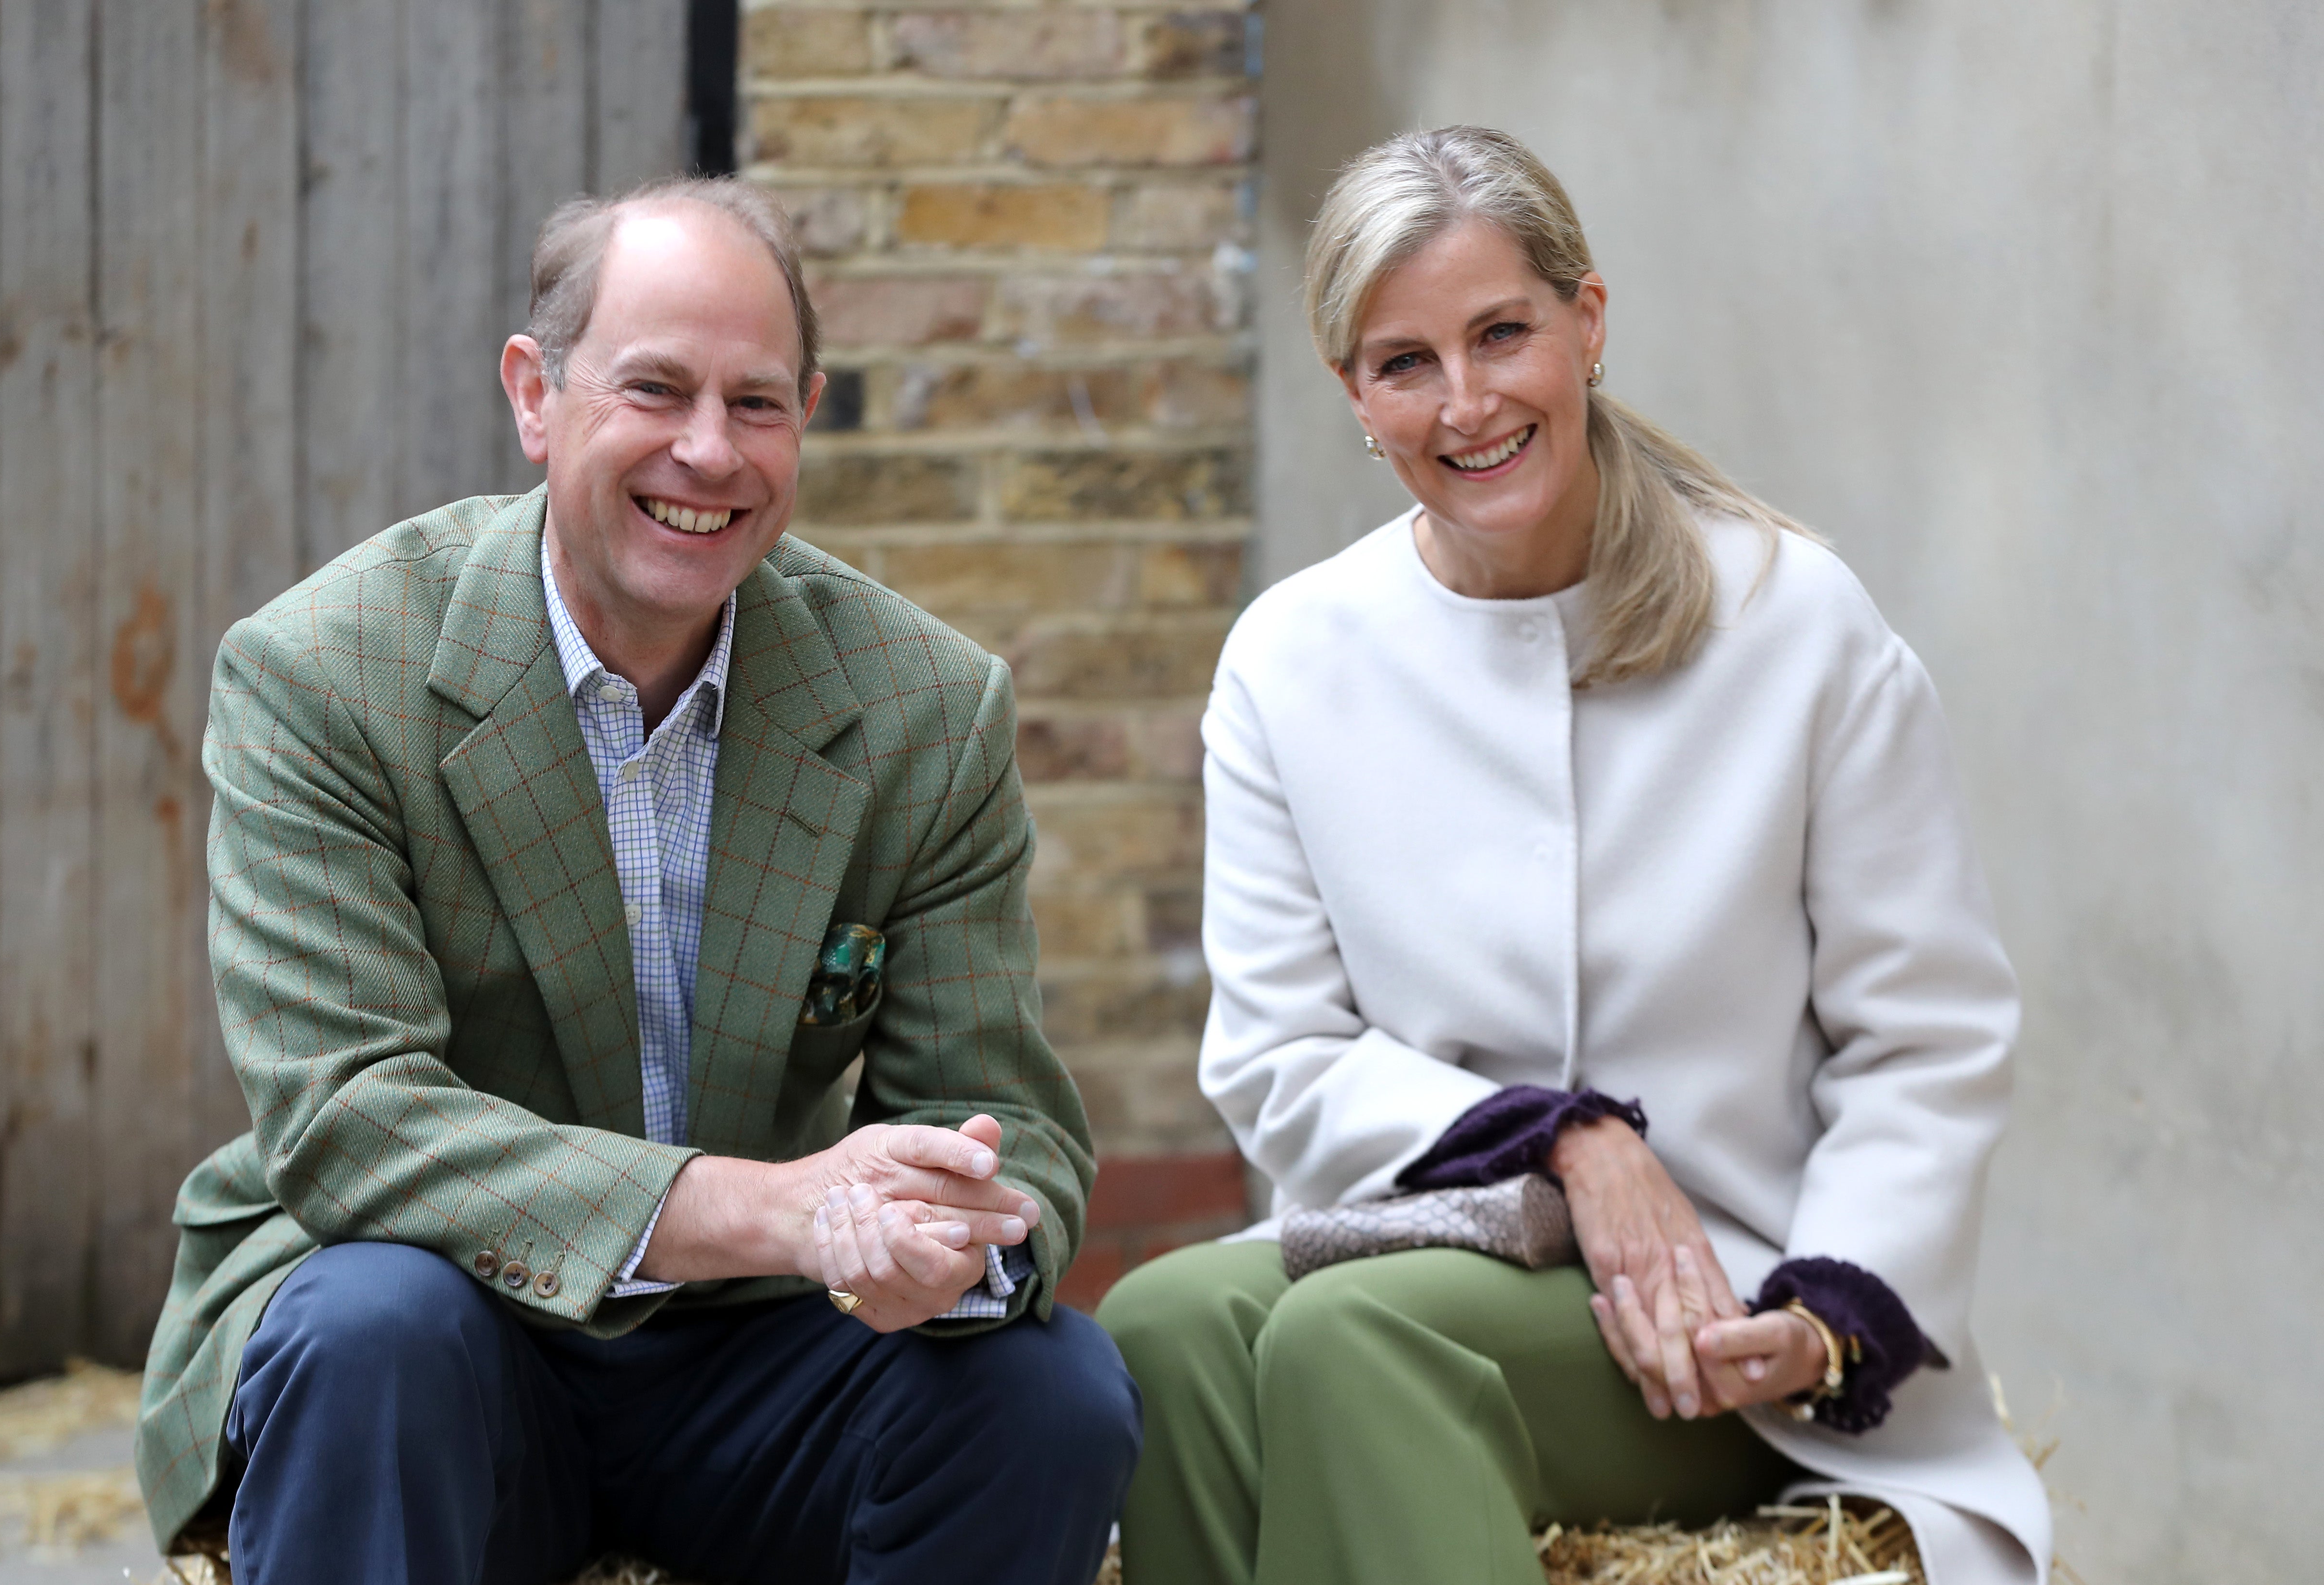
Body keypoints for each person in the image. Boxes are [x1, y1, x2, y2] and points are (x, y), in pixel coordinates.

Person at [132, 175, 1140, 1585]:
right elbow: (350, 1120)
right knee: (372, 1330)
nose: (710, 451)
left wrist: (944, 1236)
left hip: (758, 1355)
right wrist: (773, 1206)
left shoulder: (925, 704)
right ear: (536, 396)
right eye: (657, 389)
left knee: (1052, 1392)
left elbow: (1008, 1118)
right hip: (445, 1327)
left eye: (760, 403)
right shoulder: (324, 672)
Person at [1097, 126, 2051, 1585]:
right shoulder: (1292, 660)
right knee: (1159, 1327)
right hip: (1442, 1236)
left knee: (1361, 1340)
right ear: (1354, 393)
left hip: (1734, 1310)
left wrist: (1826, 1313)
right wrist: (1567, 1140)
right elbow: (1280, 1054)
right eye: (1406, 361)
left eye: (1502, 334)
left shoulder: (1798, 624)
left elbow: (1925, 1034)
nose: (1465, 401)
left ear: (1586, 322)